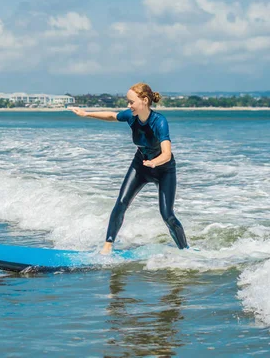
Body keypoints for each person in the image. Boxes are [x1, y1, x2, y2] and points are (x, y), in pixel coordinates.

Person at [71, 83, 188, 254]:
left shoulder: (159, 122)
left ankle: (185, 250)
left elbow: (167, 154)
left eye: (131, 102)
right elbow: (111, 115)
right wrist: (86, 114)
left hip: (164, 170)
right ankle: (107, 246)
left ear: (144, 101)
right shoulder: (131, 116)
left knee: (167, 215)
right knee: (121, 203)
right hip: (140, 166)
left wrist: (155, 162)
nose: (128, 105)